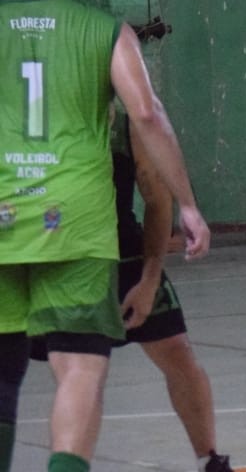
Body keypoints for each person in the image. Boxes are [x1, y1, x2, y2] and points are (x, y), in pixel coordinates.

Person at [0, 0, 211, 472]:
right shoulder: (105, 31)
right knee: (79, 369)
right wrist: (189, 206)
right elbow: (146, 115)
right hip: (74, 224)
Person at [29, 27, 232, 472]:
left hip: (123, 258)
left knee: (177, 352)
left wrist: (150, 277)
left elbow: (157, 201)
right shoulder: (39, 127)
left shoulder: (126, 127)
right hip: (57, 261)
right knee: (78, 375)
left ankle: (211, 461)